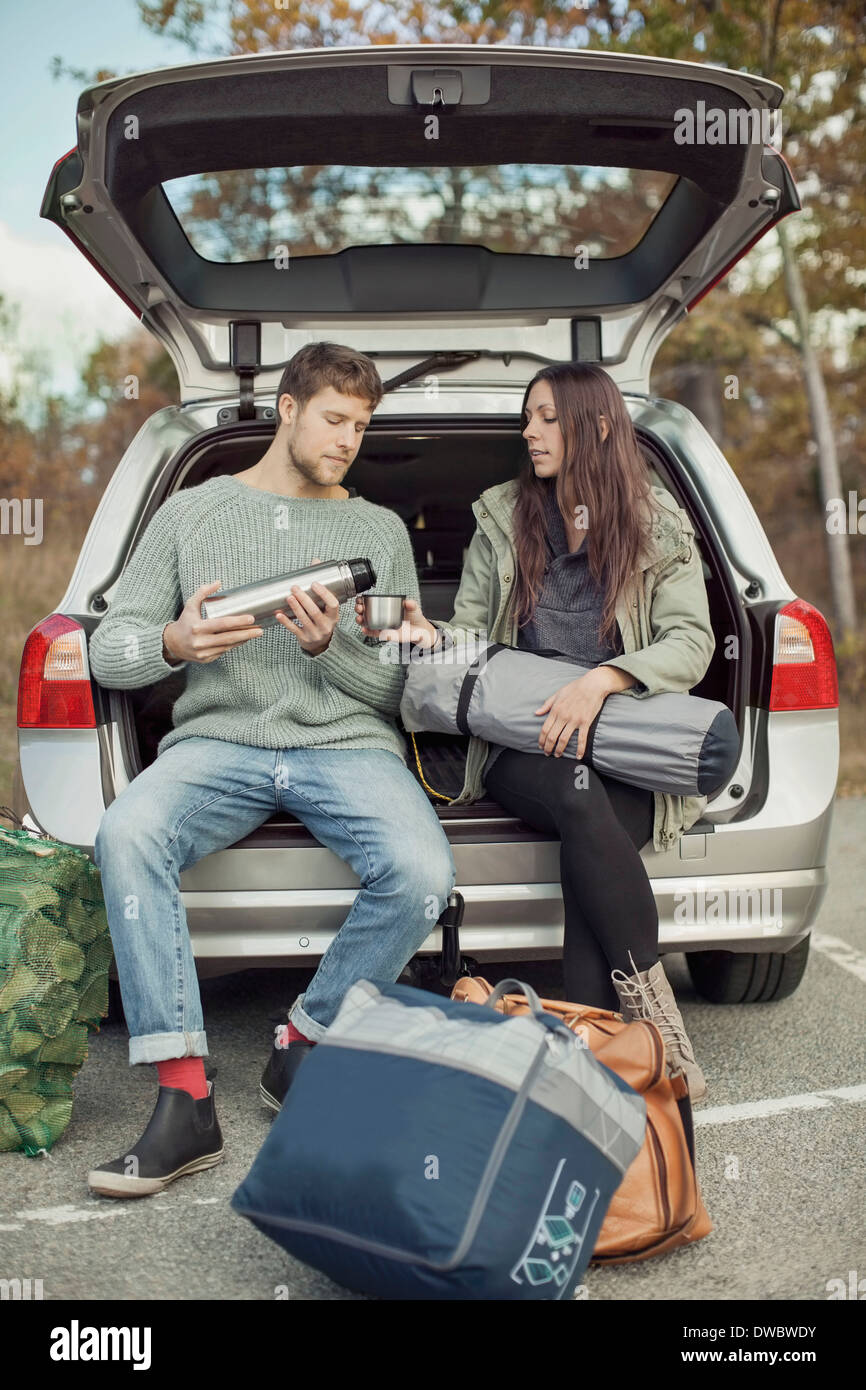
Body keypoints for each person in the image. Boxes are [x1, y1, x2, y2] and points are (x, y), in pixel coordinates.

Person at [86, 341, 456, 1197]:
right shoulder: (193, 513)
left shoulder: (377, 532)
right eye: (334, 419)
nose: (348, 440)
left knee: (421, 871)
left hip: (348, 745)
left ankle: (304, 1043)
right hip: (219, 742)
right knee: (127, 831)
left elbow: (404, 689)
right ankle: (183, 1100)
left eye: (362, 426)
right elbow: (109, 647)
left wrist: (332, 651)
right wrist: (173, 643)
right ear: (287, 408)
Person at [363, 362, 714, 1103]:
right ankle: (656, 1029)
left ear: (598, 425)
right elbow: (469, 633)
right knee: (580, 797)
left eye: (548, 417)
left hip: (622, 740)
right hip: (523, 742)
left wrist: (603, 680)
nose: (530, 432)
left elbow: (691, 643)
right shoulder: (503, 515)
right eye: (530, 417)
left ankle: (584, 1051)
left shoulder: (656, 523)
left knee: (591, 849)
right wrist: (425, 633)